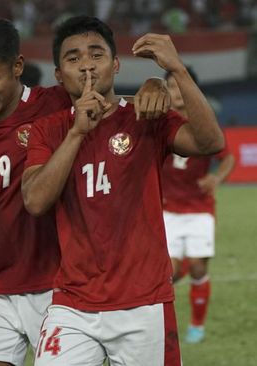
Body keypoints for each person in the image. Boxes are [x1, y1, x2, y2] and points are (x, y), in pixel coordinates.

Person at [0, 16, 172, 366]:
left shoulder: (51, 104)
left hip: (57, 288)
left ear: (17, 68)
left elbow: (106, 99)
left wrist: (154, 83)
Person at [21, 16, 224, 365]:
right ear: (58, 75)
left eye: (96, 54)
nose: (85, 64)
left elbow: (210, 142)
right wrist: (77, 133)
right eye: (73, 58)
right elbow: (36, 201)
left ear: (115, 66)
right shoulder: (47, 130)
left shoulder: (145, 116)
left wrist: (175, 70)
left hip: (144, 302)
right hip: (73, 304)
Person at [161, 66, 235, 344]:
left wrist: (216, 177)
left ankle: (197, 325)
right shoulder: (159, 122)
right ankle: (163, 323)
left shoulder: (204, 123)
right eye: (170, 87)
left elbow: (227, 158)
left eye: (180, 86)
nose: (175, 92)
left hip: (200, 209)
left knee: (198, 269)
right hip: (167, 210)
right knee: (170, 271)